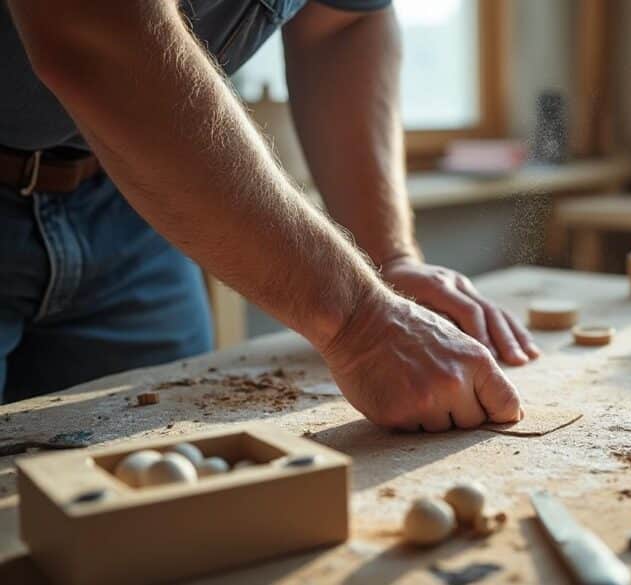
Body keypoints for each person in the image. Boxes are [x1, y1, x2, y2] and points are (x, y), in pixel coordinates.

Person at [0, 0, 540, 431]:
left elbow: (342, 26)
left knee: (163, 492)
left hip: (126, 198)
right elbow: (96, 33)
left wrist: (388, 258)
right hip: (123, 157)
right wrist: (361, 321)